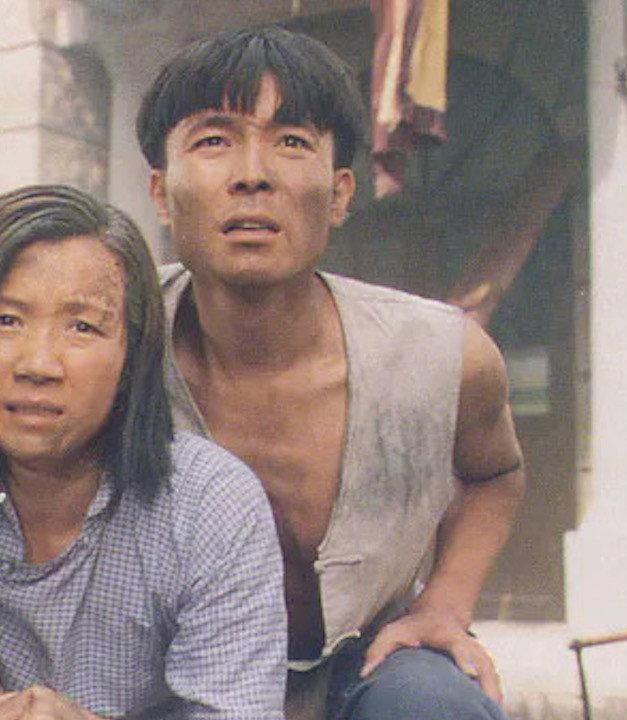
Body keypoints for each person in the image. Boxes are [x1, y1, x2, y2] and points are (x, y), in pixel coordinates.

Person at [137, 26, 527, 719]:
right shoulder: (114, 339)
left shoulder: (441, 354)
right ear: (162, 193)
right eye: (214, 140)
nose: (252, 174)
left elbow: (496, 473)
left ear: (341, 193)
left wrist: (444, 604)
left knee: (432, 704)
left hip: (362, 664)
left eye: (291, 142)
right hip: (167, 673)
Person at [0, 185, 287, 720]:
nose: (38, 364)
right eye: (5, 320)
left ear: (132, 353)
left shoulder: (209, 503)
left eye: (82, 327)